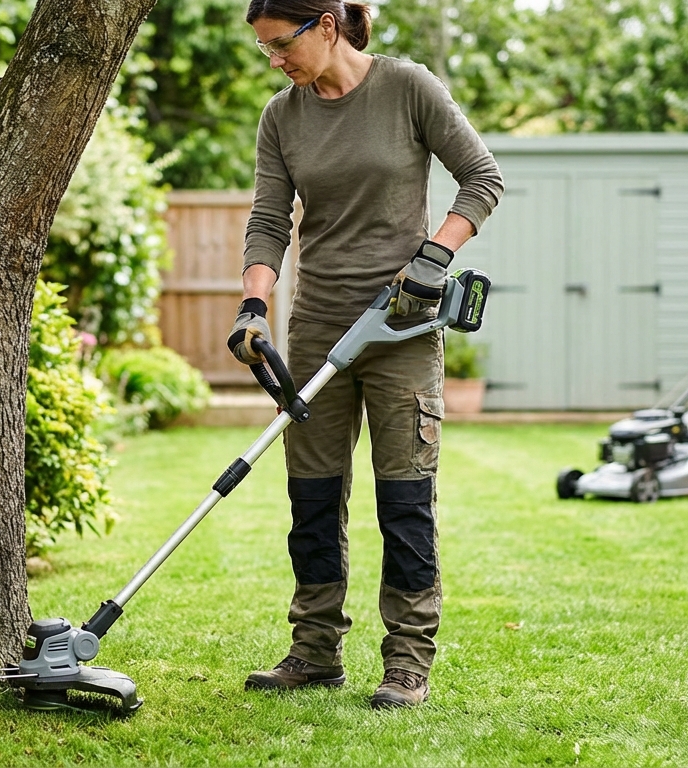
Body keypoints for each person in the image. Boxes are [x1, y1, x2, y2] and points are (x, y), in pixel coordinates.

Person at [226, 0, 504, 709]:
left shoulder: (407, 87)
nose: (274, 61)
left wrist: (434, 257)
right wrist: (253, 305)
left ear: (326, 25)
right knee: (313, 496)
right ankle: (314, 650)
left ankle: (407, 661)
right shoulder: (281, 117)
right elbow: (269, 219)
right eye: (263, 49)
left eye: (280, 44)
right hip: (320, 327)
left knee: (404, 497)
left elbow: (482, 178)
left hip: (401, 327)